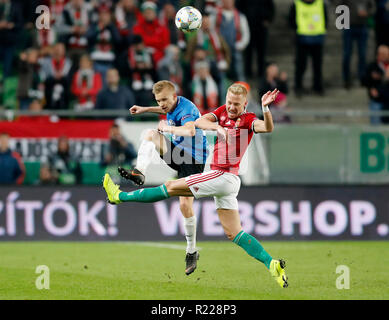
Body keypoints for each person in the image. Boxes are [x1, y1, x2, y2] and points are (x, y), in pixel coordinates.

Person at [103, 84, 288, 288]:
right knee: (234, 233)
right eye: (228, 102)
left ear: (245, 104)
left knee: (170, 187)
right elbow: (200, 120)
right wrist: (216, 126)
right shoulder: (221, 113)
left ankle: (119, 196)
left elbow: (268, 127)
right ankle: (271, 263)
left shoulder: (249, 120)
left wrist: (266, 109)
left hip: (223, 175)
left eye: (236, 104)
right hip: (227, 180)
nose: (231, 107)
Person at [118, 80, 209, 276]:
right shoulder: (169, 105)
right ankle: (139, 172)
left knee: (185, 205)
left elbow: (190, 130)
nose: (162, 104)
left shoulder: (187, 109)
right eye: (159, 101)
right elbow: (164, 111)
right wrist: (144, 109)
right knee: (151, 134)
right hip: (178, 154)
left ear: (175, 97)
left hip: (193, 160)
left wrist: (167, 129)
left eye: (165, 100)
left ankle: (191, 251)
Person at [289, 0, 328, 97]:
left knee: (317, 65)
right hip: (302, 38)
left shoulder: (320, 3)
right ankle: (298, 86)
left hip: (317, 38)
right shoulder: (296, 4)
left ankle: (317, 86)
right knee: (301, 65)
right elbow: (291, 19)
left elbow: (325, 19)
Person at [335, 0, 375, 89]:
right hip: (348, 26)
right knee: (347, 54)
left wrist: (367, 13)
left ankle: (362, 77)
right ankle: (346, 79)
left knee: (362, 54)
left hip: (362, 26)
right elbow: (339, 7)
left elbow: (372, 8)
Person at [362, 45, 389, 124]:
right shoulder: (372, 66)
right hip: (377, 100)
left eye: (386, 54)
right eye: (382, 54)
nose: (385, 56)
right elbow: (364, 80)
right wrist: (371, 88)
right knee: (376, 126)